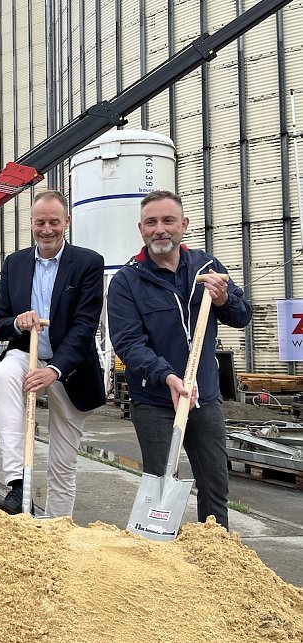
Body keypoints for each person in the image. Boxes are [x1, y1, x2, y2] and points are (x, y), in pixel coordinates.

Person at [107, 190, 252, 529]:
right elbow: (128, 344)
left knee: (215, 484)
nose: (160, 229)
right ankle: (160, 558)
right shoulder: (127, 281)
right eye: (151, 222)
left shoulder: (207, 268)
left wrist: (224, 299)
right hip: (156, 399)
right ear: (141, 228)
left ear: (183, 225)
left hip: (205, 399)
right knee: (159, 483)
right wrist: (167, 376)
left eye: (168, 220)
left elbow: (243, 315)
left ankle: (214, 557)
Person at [0, 189, 105, 517]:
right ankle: (17, 481)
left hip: (70, 368)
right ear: (31, 224)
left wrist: (54, 370)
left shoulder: (87, 263)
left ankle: (56, 530)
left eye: (54, 221)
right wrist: (16, 321)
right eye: (40, 222)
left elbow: (84, 326)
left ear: (66, 222)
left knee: (62, 462)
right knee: (5, 373)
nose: (47, 229)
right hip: (27, 355)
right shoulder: (14, 264)